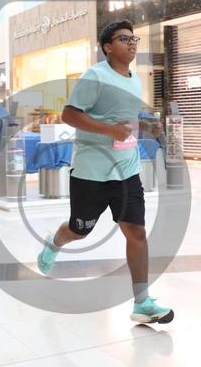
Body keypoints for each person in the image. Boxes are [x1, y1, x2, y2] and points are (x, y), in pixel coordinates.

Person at [37, 19, 174, 325]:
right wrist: (109, 130)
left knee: (136, 232)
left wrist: (145, 125)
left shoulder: (135, 80)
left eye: (134, 38)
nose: (132, 43)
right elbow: (69, 114)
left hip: (126, 170)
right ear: (107, 47)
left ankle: (142, 302)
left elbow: (124, 120)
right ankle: (54, 243)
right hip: (91, 173)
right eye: (124, 39)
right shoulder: (95, 76)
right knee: (80, 230)